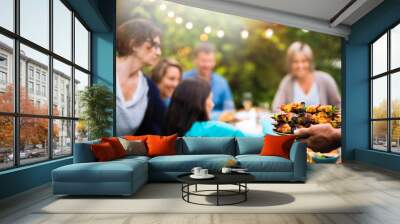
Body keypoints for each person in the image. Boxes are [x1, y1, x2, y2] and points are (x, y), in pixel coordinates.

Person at [163, 79, 273, 137]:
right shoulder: (213, 128)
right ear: (198, 103)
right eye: (209, 99)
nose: (212, 104)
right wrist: (267, 120)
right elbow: (262, 139)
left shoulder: (174, 129)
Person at [116, 19, 166, 136]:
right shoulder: (102, 69)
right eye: (154, 45)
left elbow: (163, 126)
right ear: (133, 44)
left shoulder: (149, 88)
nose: (159, 52)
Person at [272, 42, 341, 112]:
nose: (300, 66)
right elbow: (276, 108)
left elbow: (339, 105)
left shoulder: (325, 79)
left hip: (324, 123)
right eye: (295, 62)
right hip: (295, 123)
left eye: (304, 61)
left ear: (310, 62)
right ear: (290, 63)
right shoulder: (287, 82)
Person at [183, 42, 234, 120]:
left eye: (210, 61)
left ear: (214, 62)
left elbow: (229, 110)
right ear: (195, 60)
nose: (207, 65)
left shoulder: (222, 82)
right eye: (203, 61)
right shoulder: (184, 79)